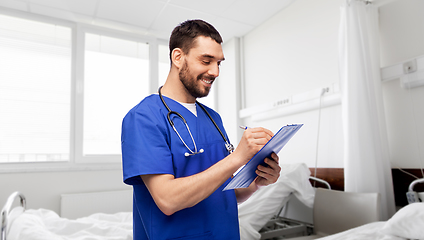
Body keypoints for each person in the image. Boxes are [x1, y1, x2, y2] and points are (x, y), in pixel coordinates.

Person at [121, 19, 281, 240]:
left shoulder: (213, 119)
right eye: (206, 61)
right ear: (178, 57)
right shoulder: (144, 117)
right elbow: (168, 200)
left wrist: (256, 183)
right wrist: (236, 158)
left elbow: (223, 193)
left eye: (219, 63)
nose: (215, 71)